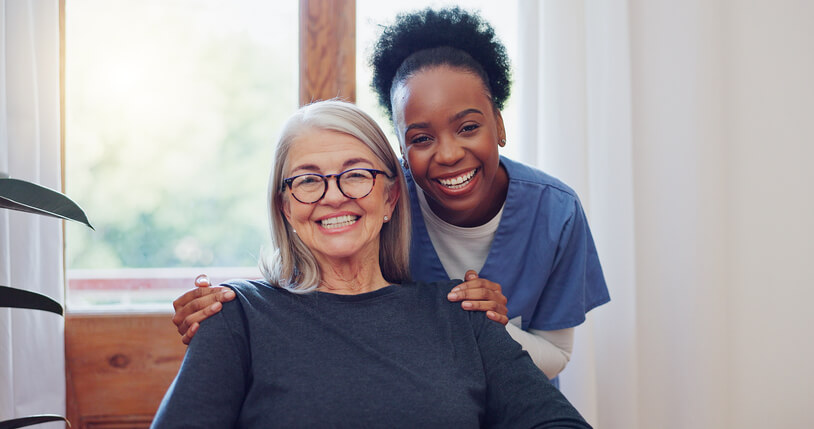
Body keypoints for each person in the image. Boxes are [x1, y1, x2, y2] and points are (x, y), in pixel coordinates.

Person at [171, 7, 610, 382]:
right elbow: (308, 286)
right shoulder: (370, 198)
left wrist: (491, 327)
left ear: (499, 124)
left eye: (469, 127)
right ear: (401, 150)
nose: (449, 153)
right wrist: (226, 312)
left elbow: (556, 354)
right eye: (421, 139)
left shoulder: (557, 212)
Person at [151, 100, 591, 428]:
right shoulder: (237, 316)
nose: (334, 194)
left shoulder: (461, 314)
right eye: (307, 180)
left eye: (356, 174)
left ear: (390, 197)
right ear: (285, 207)